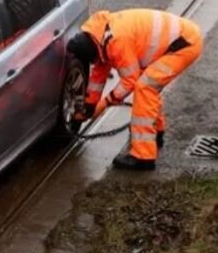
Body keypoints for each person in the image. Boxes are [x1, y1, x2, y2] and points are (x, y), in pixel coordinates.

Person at [66, 9, 204, 171]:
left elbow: (129, 80)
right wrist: (88, 106)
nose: (94, 63)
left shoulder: (116, 42)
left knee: (145, 87)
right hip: (182, 39)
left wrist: (104, 104)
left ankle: (143, 157)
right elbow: (99, 73)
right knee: (148, 85)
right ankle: (155, 133)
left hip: (184, 45)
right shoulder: (100, 34)